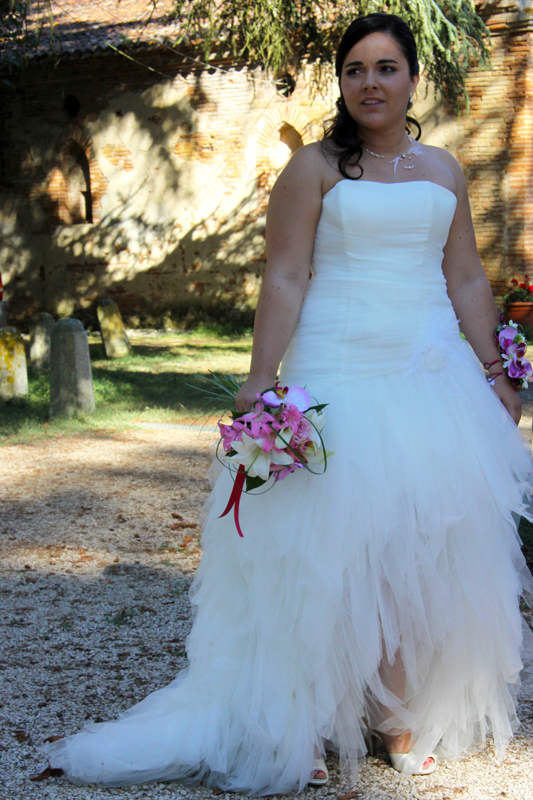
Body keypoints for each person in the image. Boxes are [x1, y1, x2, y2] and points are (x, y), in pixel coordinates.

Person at [41, 12, 533, 795]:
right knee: (321, 551)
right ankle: (291, 717)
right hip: (336, 370)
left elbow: (466, 276)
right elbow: (286, 276)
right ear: (341, 84)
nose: (369, 83)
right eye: (354, 70)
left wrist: (493, 369)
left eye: (384, 68)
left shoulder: (442, 168)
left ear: (411, 79)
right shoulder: (314, 167)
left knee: (418, 543)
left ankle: (390, 710)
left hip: (429, 375)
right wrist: (259, 377)